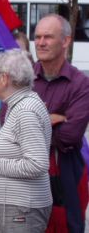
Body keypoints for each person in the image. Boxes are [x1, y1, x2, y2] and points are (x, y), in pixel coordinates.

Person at [0, 49, 52, 232]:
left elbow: (37, 164)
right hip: (15, 209)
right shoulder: (19, 105)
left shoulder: (25, 111)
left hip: (21, 210)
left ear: (4, 78)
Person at [32, 14, 89, 233]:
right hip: (25, 180)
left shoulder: (81, 84)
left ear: (65, 41)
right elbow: (9, 123)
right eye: (37, 37)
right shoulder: (23, 78)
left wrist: (30, 125)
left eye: (48, 37)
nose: (41, 42)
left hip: (65, 177)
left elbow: (70, 135)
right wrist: (52, 119)